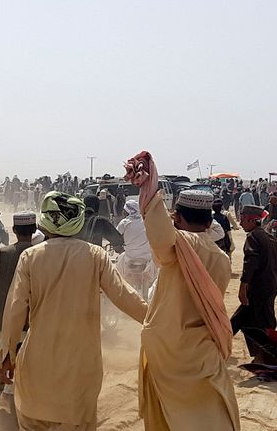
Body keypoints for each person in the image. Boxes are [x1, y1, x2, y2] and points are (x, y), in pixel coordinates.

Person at [0, 192, 148, 430]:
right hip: (81, 368)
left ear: (45, 221)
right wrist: (157, 320)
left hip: (38, 363)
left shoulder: (30, 257)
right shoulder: (95, 256)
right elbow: (125, 296)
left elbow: (15, 309)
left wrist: (9, 354)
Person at [124, 152, 239, 431]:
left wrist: (149, 189)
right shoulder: (222, 259)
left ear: (177, 218)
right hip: (205, 356)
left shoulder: (180, 247)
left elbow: (162, 236)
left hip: (171, 355)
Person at [0, 211, 38, 420]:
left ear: (14, 230)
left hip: (5, 319)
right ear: (34, 230)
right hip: (34, 323)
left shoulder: (2, 253)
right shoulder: (41, 253)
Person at [231, 204, 277, 364]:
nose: (241, 222)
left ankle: (267, 357)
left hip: (257, 288)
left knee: (243, 319)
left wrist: (244, 285)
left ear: (251, 220)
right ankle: (262, 356)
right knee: (259, 319)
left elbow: (251, 261)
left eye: (242, 219)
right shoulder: (268, 236)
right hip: (269, 286)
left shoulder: (253, 237)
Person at [115, 197, 156, 296]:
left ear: (127, 211)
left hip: (130, 257)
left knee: (118, 268)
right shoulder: (147, 221)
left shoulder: (124, 223)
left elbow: (115, 236)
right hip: (147, 258)